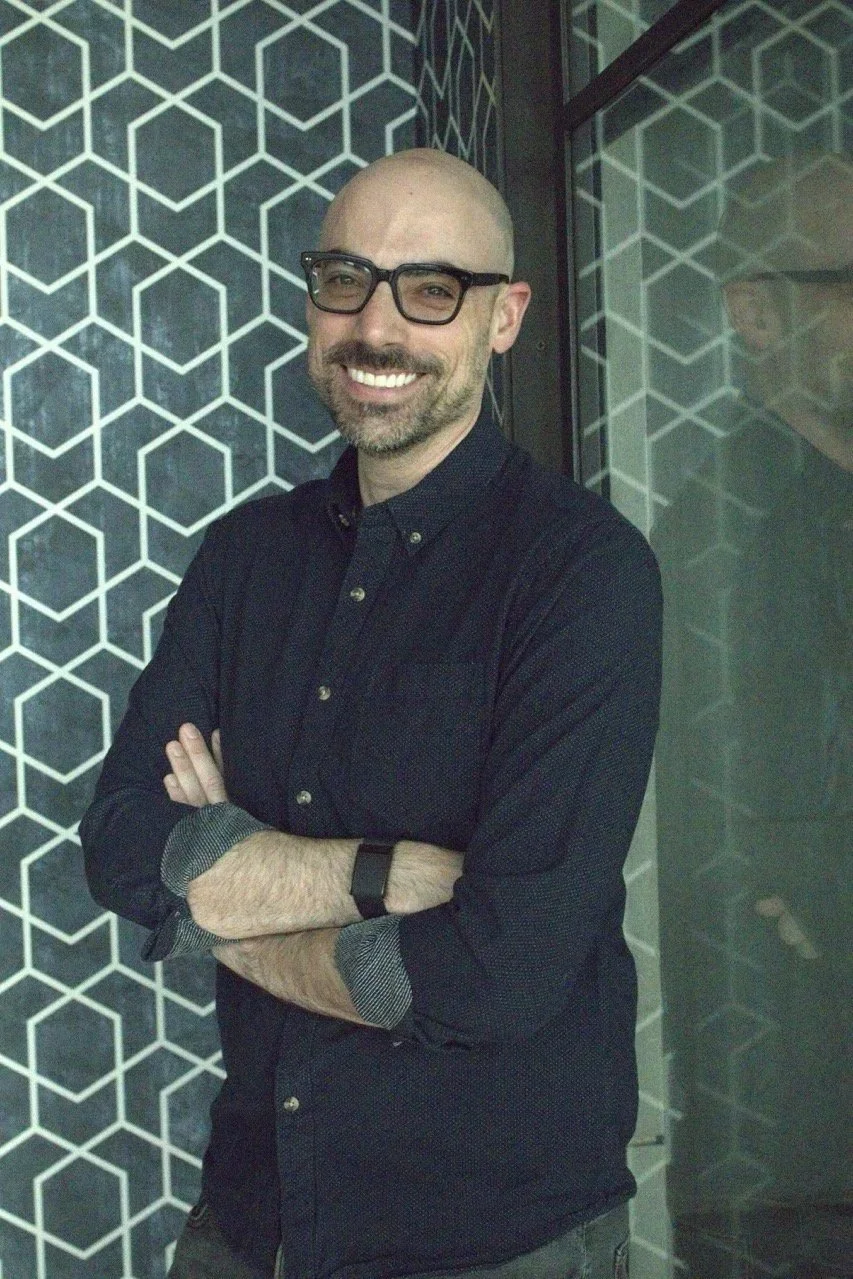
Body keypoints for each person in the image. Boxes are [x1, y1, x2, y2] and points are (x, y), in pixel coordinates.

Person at [81, 148, 662, 1279]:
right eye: (345, 278)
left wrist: (218, 898)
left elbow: (495, 972)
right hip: (250, 1222)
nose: (376, 327)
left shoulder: (582, 574)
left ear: (504, 317)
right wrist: (379, 876)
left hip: (490, 1239)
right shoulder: (245, 557)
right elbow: (118, 846)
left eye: (430, 288)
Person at [654, 152, 852, 1277]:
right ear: (752, 314)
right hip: (798, 1149)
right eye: (846, 278)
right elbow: (735, 859)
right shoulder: (719, 537)